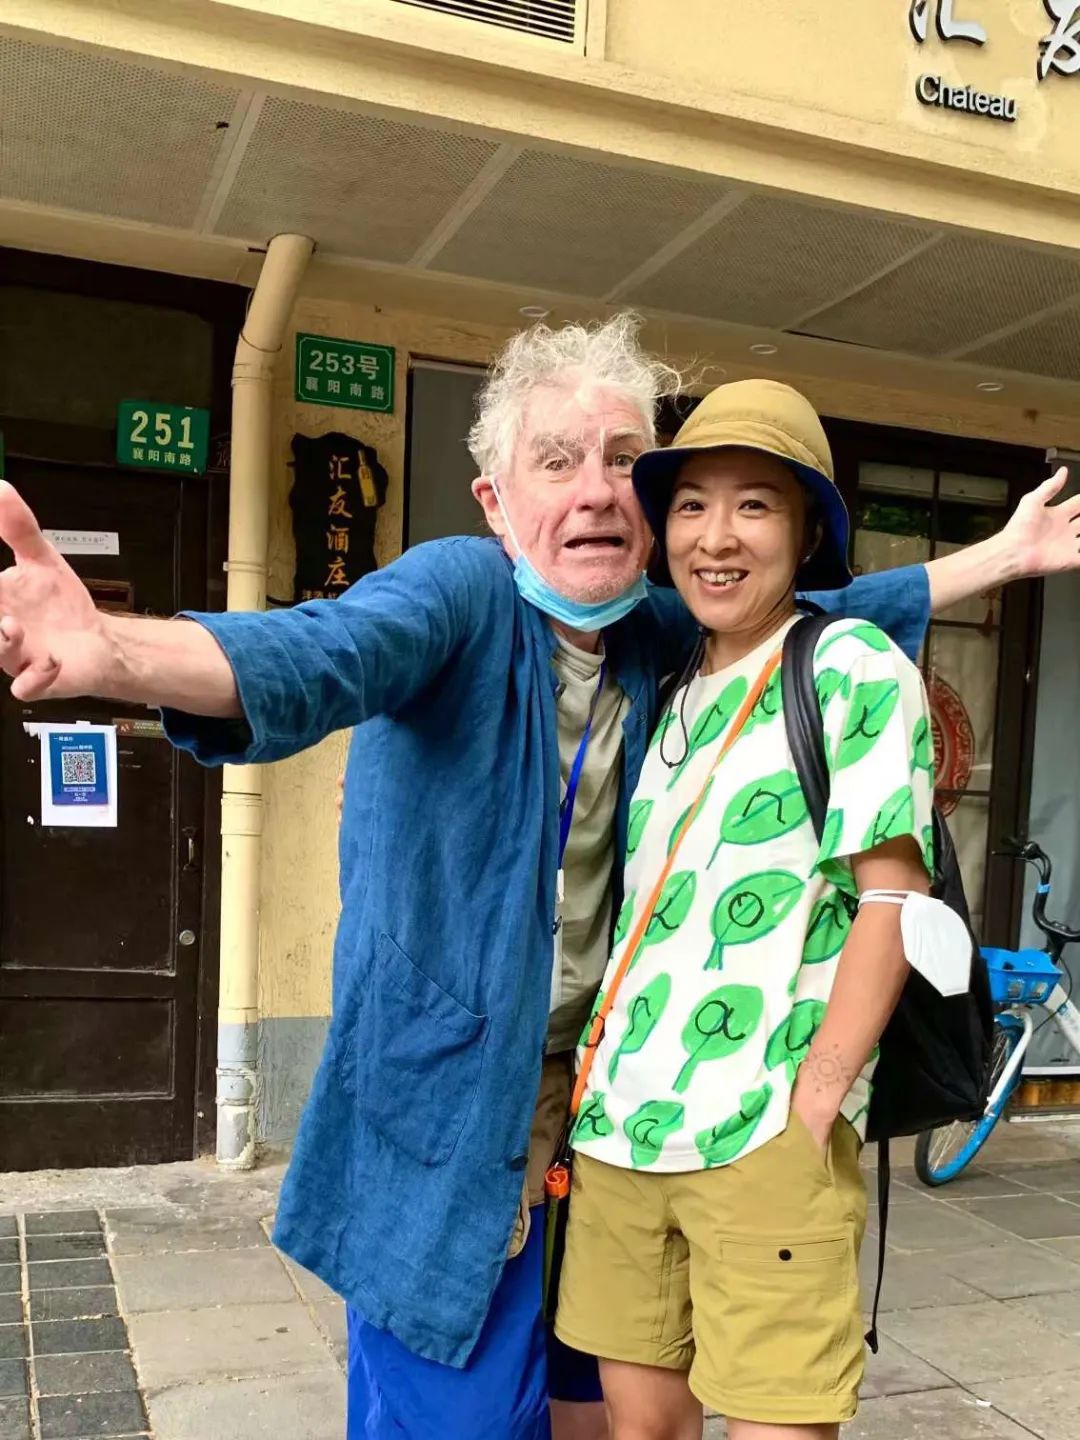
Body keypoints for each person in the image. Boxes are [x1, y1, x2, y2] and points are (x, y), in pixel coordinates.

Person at [0, 315, 1075, 1440]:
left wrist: (997, 560)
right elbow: (323, 649)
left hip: (611, 1121)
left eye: (622, 460)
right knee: (454, 1421)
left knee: (596, 1411)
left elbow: (808, 614)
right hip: (449, 1115)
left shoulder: (660, 636)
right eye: (556, 461)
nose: (596, 491)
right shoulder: (459, 596)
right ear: (495, 502)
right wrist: (118, 652)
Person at [555, 379, 937, 1440]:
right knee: (641, 1428)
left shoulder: (849, 666)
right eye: (691, 504)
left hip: (762, 1128)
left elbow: (892, 896)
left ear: (807, 532)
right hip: (622, 1129)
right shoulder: (671, 685)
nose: (715, 537)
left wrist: (816, 1101)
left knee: (779, 1424)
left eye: (755, 505)